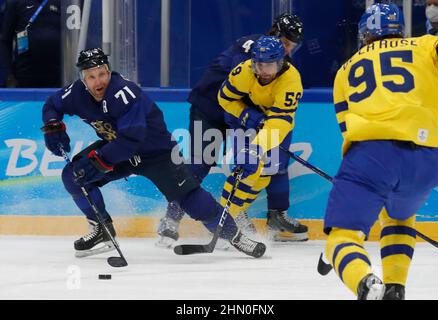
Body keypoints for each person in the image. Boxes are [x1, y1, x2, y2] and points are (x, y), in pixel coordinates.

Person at [41, 48, 266, 259]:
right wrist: (53, 126)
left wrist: (100, 161)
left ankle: (234, 236)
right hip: (117, 150)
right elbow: (52, 104)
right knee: (73, 177)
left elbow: (131, 139)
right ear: (83, 79)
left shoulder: (125, 93)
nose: (99, 81)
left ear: (109, 71)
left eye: (102, 74)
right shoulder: (76, 93)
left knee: (190, 199)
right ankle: (101, 229)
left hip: (156, 154)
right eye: (92, 76)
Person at [325, 3, 438, 300]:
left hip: (370, 156)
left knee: (341, 237)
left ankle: (365, 283)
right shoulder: (427, 46)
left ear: (365, 33)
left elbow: (347, 128)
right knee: (399, 218)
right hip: (426, 160)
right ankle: (395, 288)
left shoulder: (345, 71)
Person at [157, 13, 308, 246]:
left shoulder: (278, 61)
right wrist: (253, 115)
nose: (288, 50)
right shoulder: (254, 53)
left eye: (292, 46)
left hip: (240, 117)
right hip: (211, 110)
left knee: (266, 160)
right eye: (286, 43)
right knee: (200, 162)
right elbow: (234, 91)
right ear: (275, 35)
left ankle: (259, 214)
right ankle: (171, 218)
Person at [216, 35, 304, 248]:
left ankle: (236, 212)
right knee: (248, 167)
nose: (264, 71)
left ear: (280, 63)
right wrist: (246, 114)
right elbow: (224, 98)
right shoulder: (244, 72)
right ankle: (221, 219)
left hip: (276, 123)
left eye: (270, 65)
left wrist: (258, 146)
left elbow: (280, 121)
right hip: (243, 121)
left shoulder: (291, 80)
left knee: (266, 173)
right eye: (259, 64)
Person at [0, 0, 61, 88]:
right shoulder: (15, 3)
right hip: (24, 75)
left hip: (57, 75)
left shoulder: (62, 3)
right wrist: (9, 75)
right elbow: (5, 41)